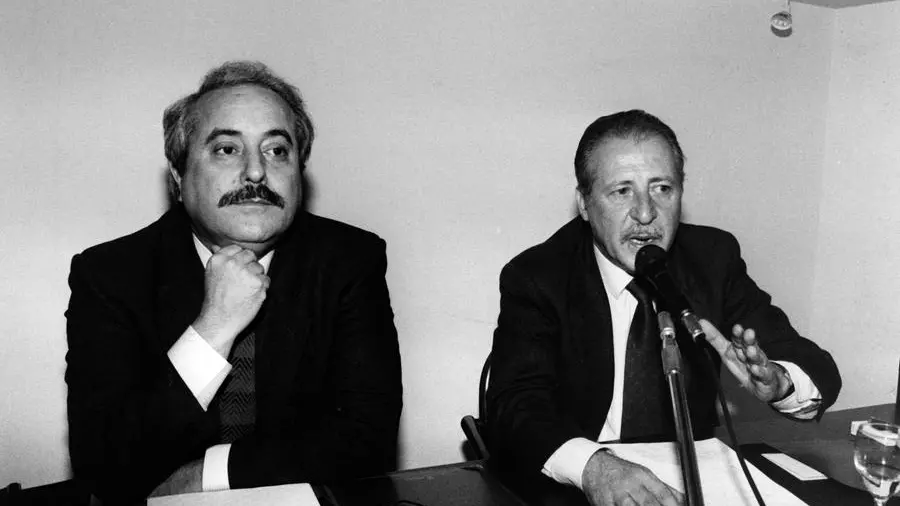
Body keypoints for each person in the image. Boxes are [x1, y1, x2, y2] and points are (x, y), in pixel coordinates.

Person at [64, 61, 402, 503]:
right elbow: (101, 460)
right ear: (178, 175)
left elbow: (368, 437)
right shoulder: (110, 274)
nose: (257, 172)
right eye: (227, 149)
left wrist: (210, 473)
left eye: (277, 150)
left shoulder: (348, 260)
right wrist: (214, 327)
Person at [486, 110, 841, 506]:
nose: (645, 213)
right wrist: (593, 467)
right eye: (622, 191)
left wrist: (779, 381)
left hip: (695, 482)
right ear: (584, 203)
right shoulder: (539, 275)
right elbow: (515, 406)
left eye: (662, 188)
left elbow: (816, 366)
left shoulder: (712, 258)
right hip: (580, 484)